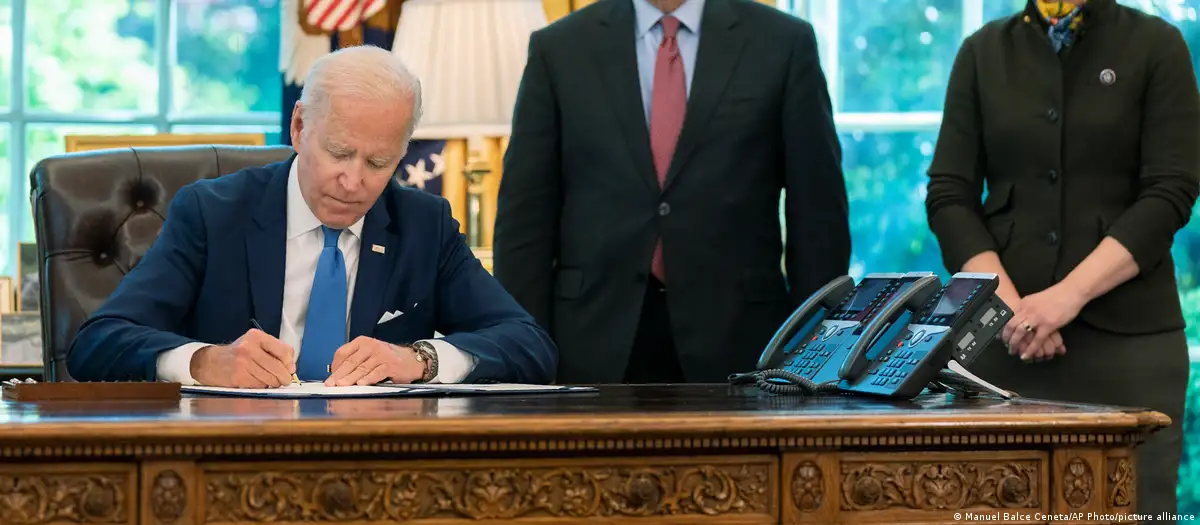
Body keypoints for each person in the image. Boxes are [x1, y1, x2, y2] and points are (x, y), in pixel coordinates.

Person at [67, 46, 557, 388]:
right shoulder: (212, 214)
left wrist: (421, 359)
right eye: (339, 153)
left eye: (378, 163)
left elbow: (529, 345)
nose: (354, 181)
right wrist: (204, 362)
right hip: (231, 456)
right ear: (300, 127)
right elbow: (97, 344)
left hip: (377, 461)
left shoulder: (422, 225)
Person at [925, 0, 1198, 517]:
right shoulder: (983, 51)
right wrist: (1011, 311)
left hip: (1130, 351)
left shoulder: (1157, 44)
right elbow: (948, 194)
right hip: (1001, 350)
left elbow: (1171, 192)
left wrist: (1067, 297)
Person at [494, 0, 850, 384]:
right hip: (588, 342)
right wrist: (523, 357)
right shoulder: (559, 48)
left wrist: (813, 357)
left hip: (744, 344)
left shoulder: (783, 42)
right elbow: (524, 218)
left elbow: (818, 216)